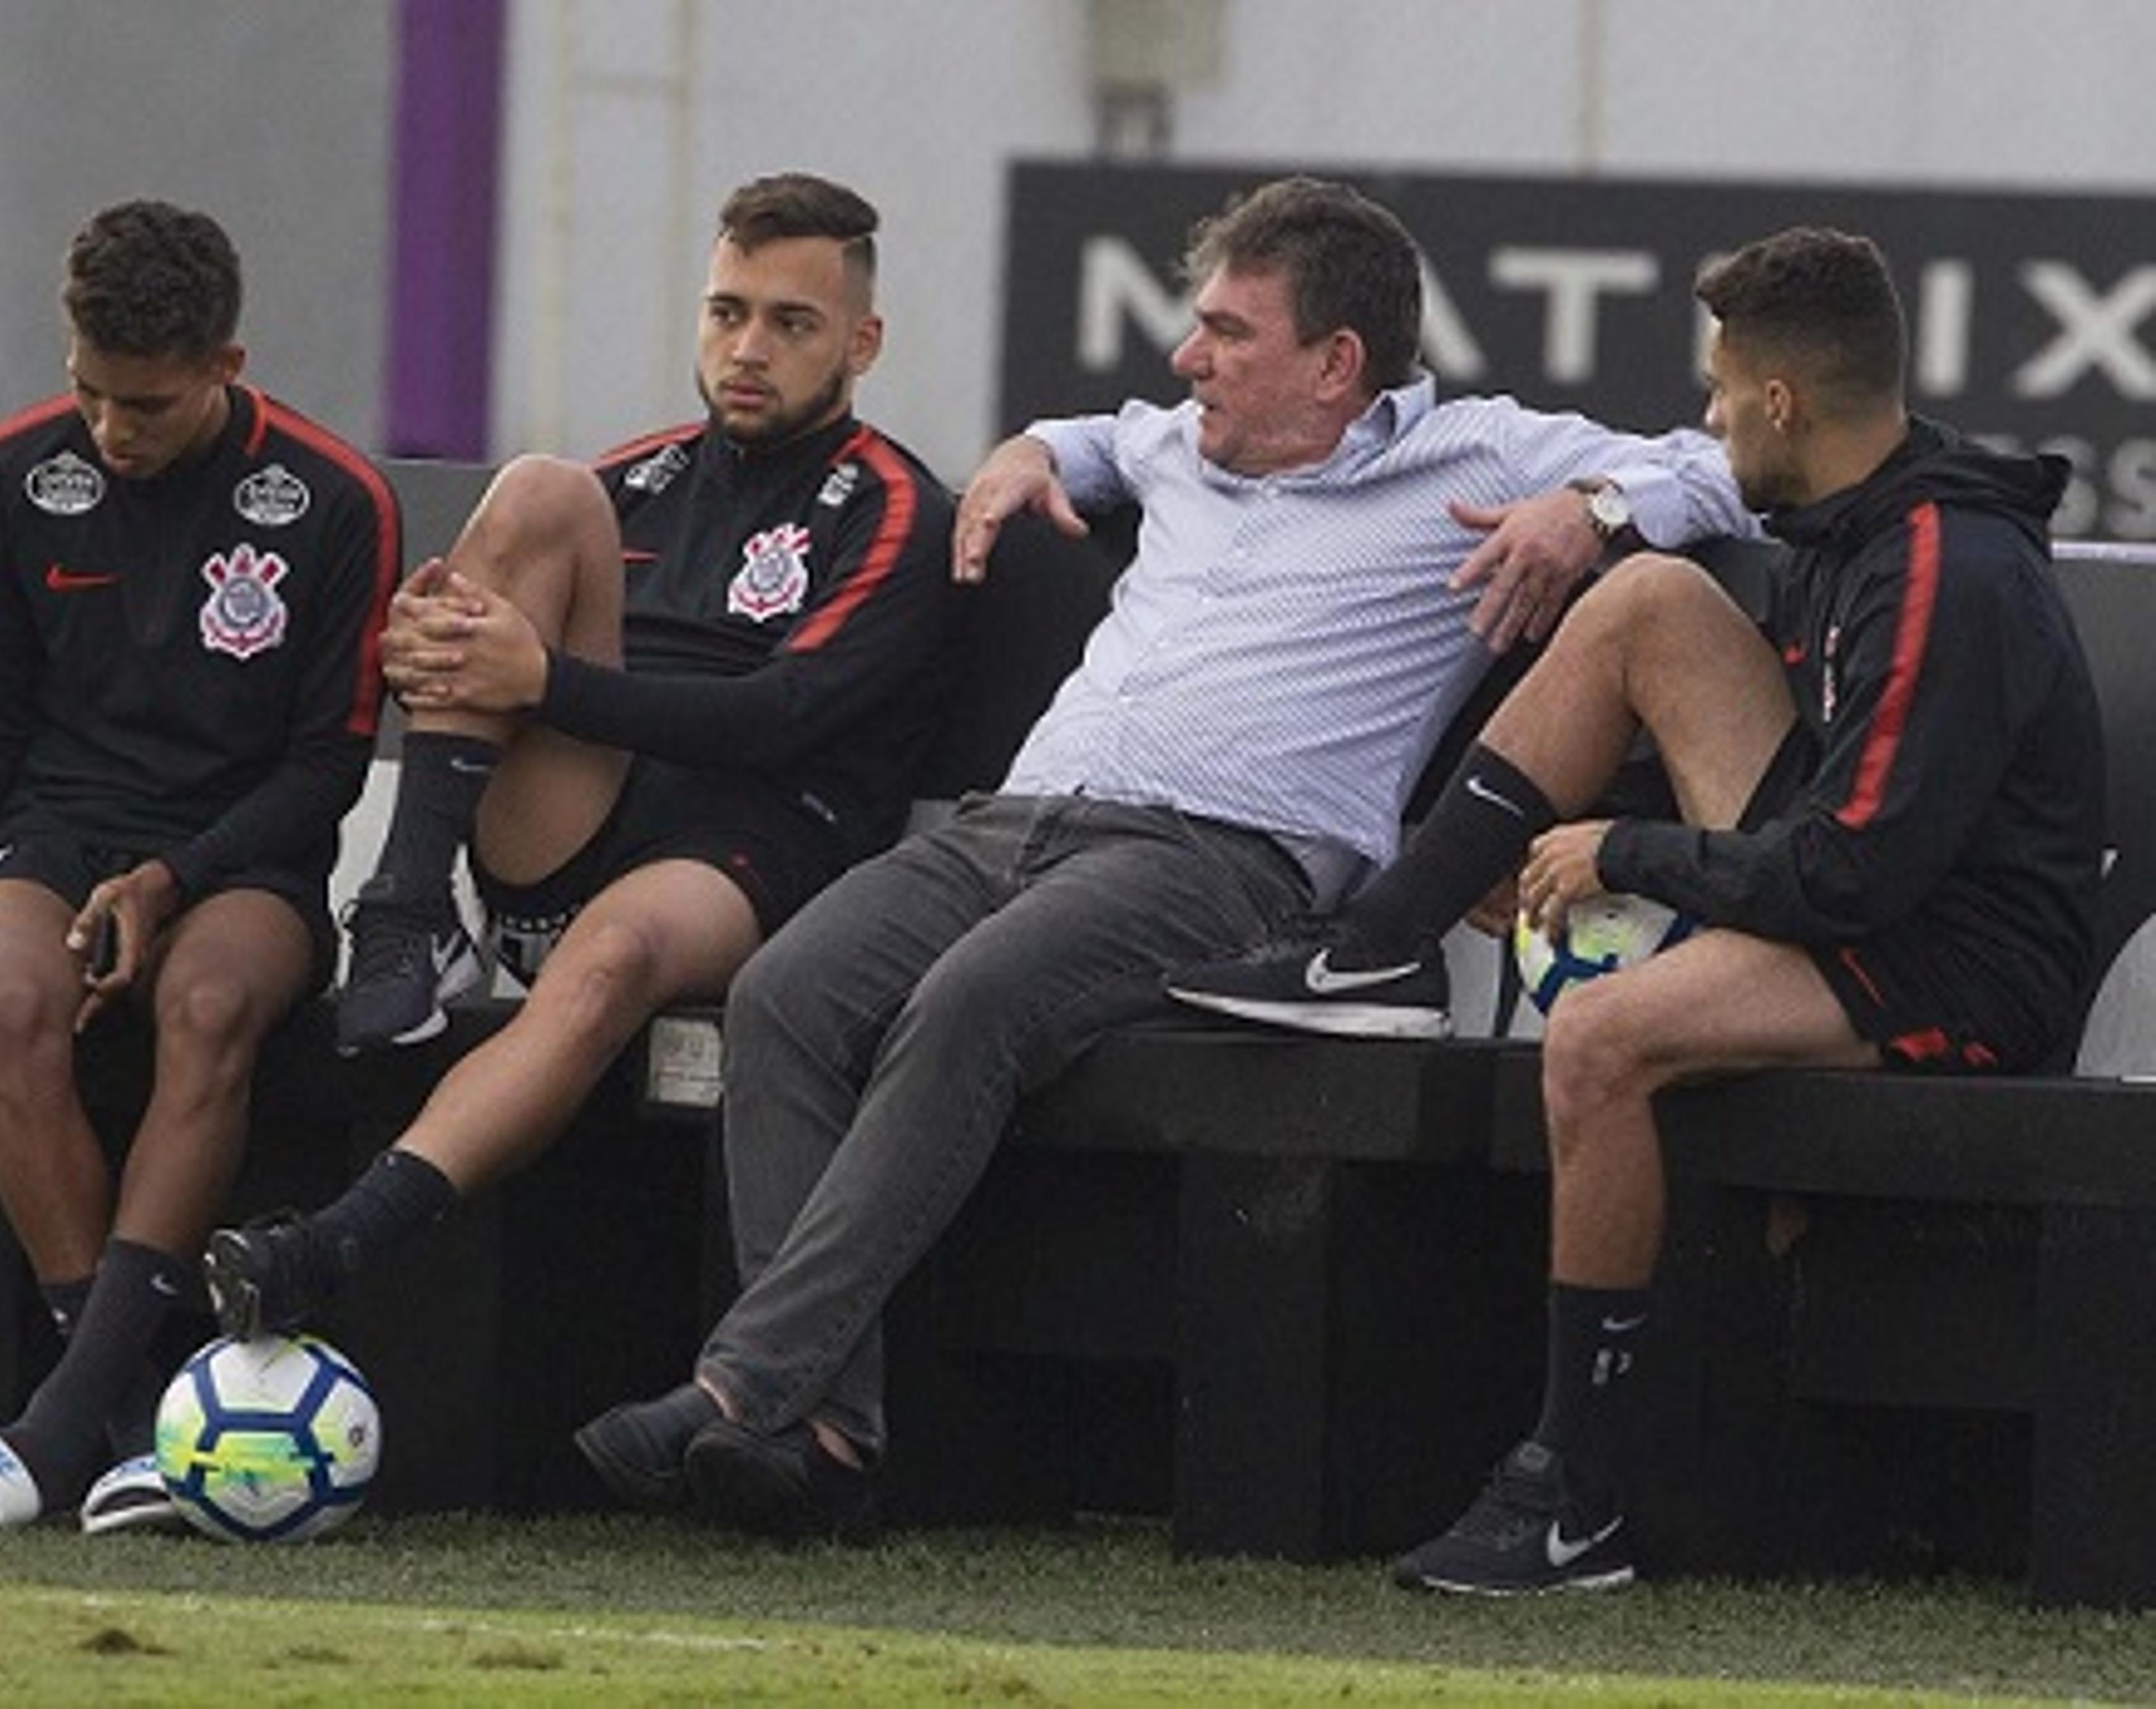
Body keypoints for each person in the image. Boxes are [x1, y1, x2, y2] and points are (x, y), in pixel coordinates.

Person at [571, 174, 1752, 1540]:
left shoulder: (1481, 456)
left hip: (1222, 862)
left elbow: (1730, 471)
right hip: (1007, 824)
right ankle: (828, 1430)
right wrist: (1026, 452)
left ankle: (742, 1383)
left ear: (1336, 365)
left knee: (968, 1008)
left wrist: (1593, 512)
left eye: (1227, 334)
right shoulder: (1184, 441)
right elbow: (1090, 439)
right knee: (786, 992)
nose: (1189, 359)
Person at [1177, 228, 2103, 1593]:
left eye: (1723, 395)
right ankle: (1373, 950)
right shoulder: (1850, 516)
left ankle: (1573, 1494)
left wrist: (1620, 847)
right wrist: (1545, 827)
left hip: (1952, 965)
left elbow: (1852, 876)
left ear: (1783, 401)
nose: (1710, 421)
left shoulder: (1944, 570)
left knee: (1596, 1040)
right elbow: (1823, 820)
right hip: (1865, 892)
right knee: (1651, 594)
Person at [200, 174, 957, 1347]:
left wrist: (540, 683)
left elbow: (784, 717)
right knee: (540, 489)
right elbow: (475, 627)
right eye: (726, 311)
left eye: (790, 323)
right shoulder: (639, 473)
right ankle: (407, 914)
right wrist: (429, 639)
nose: (747, 348)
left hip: (752, 842)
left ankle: (338, 1244)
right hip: (570, 816)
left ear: (862, 342)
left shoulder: (895, 504)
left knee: (609, 959)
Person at [0, 200, 402, 1532]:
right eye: (89, 392)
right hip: (49, 831)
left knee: (209, 1004)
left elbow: (325, 771)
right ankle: (129, 1408)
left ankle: (52, 1426)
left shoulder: (336, 500)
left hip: (242, 855)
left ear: (227, 363)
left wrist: (172, 878)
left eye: (146, 405)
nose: (111, 429)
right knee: (7, 985)